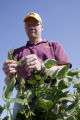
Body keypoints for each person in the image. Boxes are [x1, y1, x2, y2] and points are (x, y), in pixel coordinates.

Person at [3, 12, 71, 118]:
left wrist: (42, 67)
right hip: (23, 96)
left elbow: (65, 71)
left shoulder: (54, 45)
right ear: (25, 28)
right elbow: (9, 83)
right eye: (28, 25)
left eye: (35, 24)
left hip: (50, 92)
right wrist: (9, 76)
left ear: (42, 27)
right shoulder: (15, 52)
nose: (31, 27)